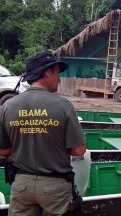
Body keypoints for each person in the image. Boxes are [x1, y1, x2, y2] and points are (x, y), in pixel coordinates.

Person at [0, 51, 86, 216]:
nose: (59, 80)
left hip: (21, 185)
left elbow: (2, 151)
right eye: (57, 73)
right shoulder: (64, 105)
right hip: (55, 188)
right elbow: (78, 150)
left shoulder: (7, 106)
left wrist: (24, 142)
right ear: (47, 72)